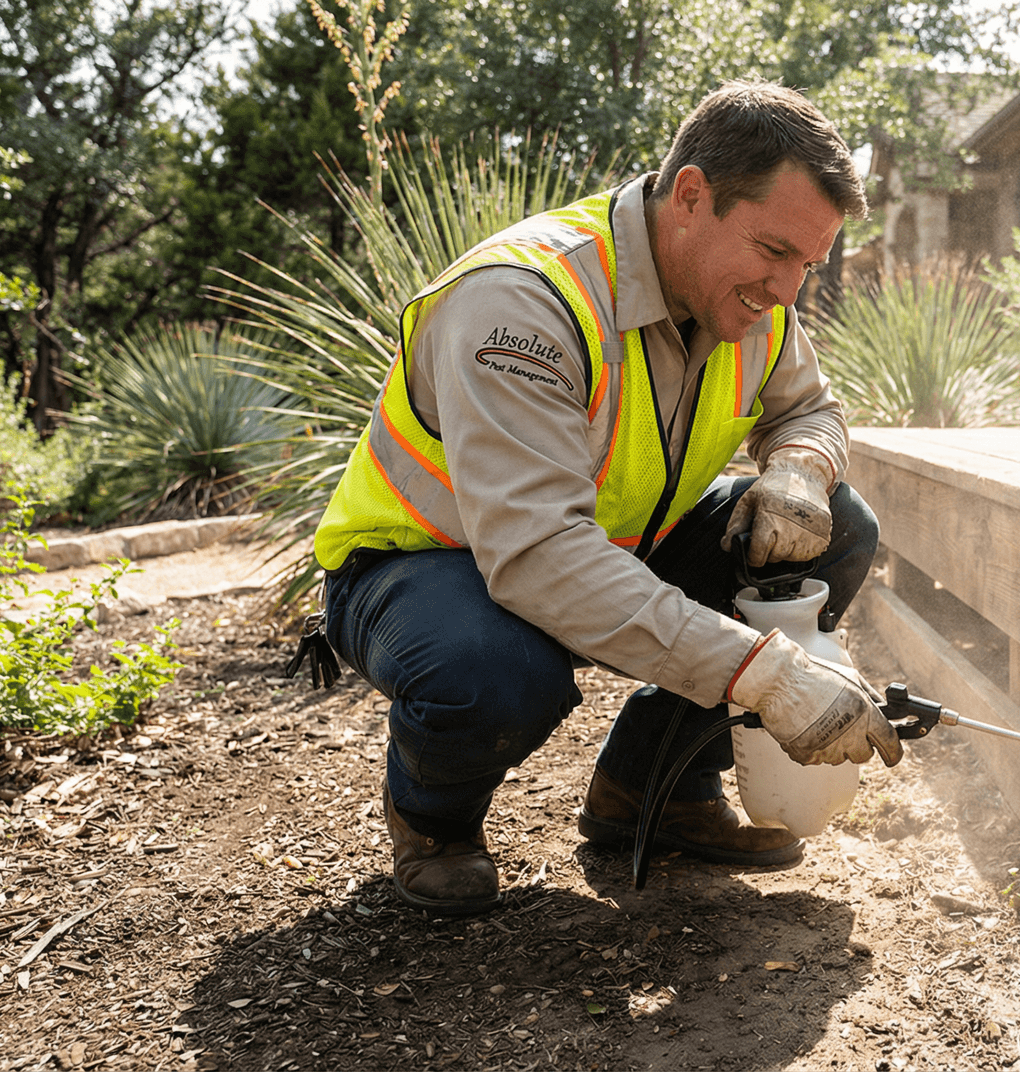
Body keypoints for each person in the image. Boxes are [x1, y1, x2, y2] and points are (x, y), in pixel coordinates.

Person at [309, 81, 903, 916]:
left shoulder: (748, 293)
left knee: (835, 528)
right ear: (692, 195)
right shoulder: (523, 302)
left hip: (607, 543)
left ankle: (653, 788)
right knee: (494, 674)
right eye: (776, 253)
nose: (789, 290)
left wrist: (801, 467)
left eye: (809, 263)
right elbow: (541, 557)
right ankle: (433, 820)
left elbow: (808, 407)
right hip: (432, 567)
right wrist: (765, 677)